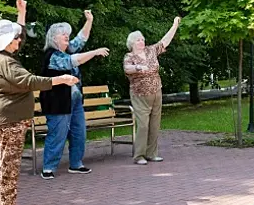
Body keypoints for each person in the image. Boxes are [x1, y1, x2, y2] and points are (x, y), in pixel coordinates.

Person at [0, 0, 79, 205]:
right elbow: (29, 81)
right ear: (7, 42)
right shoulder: (5, 62)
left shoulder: (3, 55)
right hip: (6, 120)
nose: (19, 42)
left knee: (7, 164)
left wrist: (21, 14)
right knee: (8, 165)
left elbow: (20, 34)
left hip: (6, 118)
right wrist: (61, 79)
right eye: (15, 39)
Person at [39, 11, 109, 180]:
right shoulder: (51, 55)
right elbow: (74, 61)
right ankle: (48, 168)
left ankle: (76, 164)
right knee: (58, 134)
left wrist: (90, 20)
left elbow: (81, 38)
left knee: (79, 132)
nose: (66, 36)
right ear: (54, 38)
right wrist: (94, 52)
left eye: (67, 34)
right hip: (58, 103)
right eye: (63, 34)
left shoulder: (68, 49)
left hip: (74, 101)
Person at [123, 17, 181, 165]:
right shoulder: (129, 56)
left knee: (155, 124)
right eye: (138, 40)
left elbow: (165, 41)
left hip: (156, 91)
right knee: (143, 125)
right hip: (140, 94)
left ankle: (151, 153)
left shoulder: (151, 51)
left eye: (142, 39)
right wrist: (138, 67)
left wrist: (174, 25)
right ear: (132, 43)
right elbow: (127, 68)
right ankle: (139, 155)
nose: (142, 42)